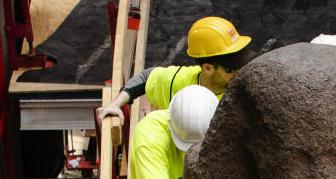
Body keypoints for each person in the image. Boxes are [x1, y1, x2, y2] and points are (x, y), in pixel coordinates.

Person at [97, 15, 255, 128]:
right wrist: (115, 104)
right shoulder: (180, 82)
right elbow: (146, 78)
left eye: (241, 64)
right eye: (231, 69)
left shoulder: (243, 94)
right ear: (207, 68)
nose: (239, 72)